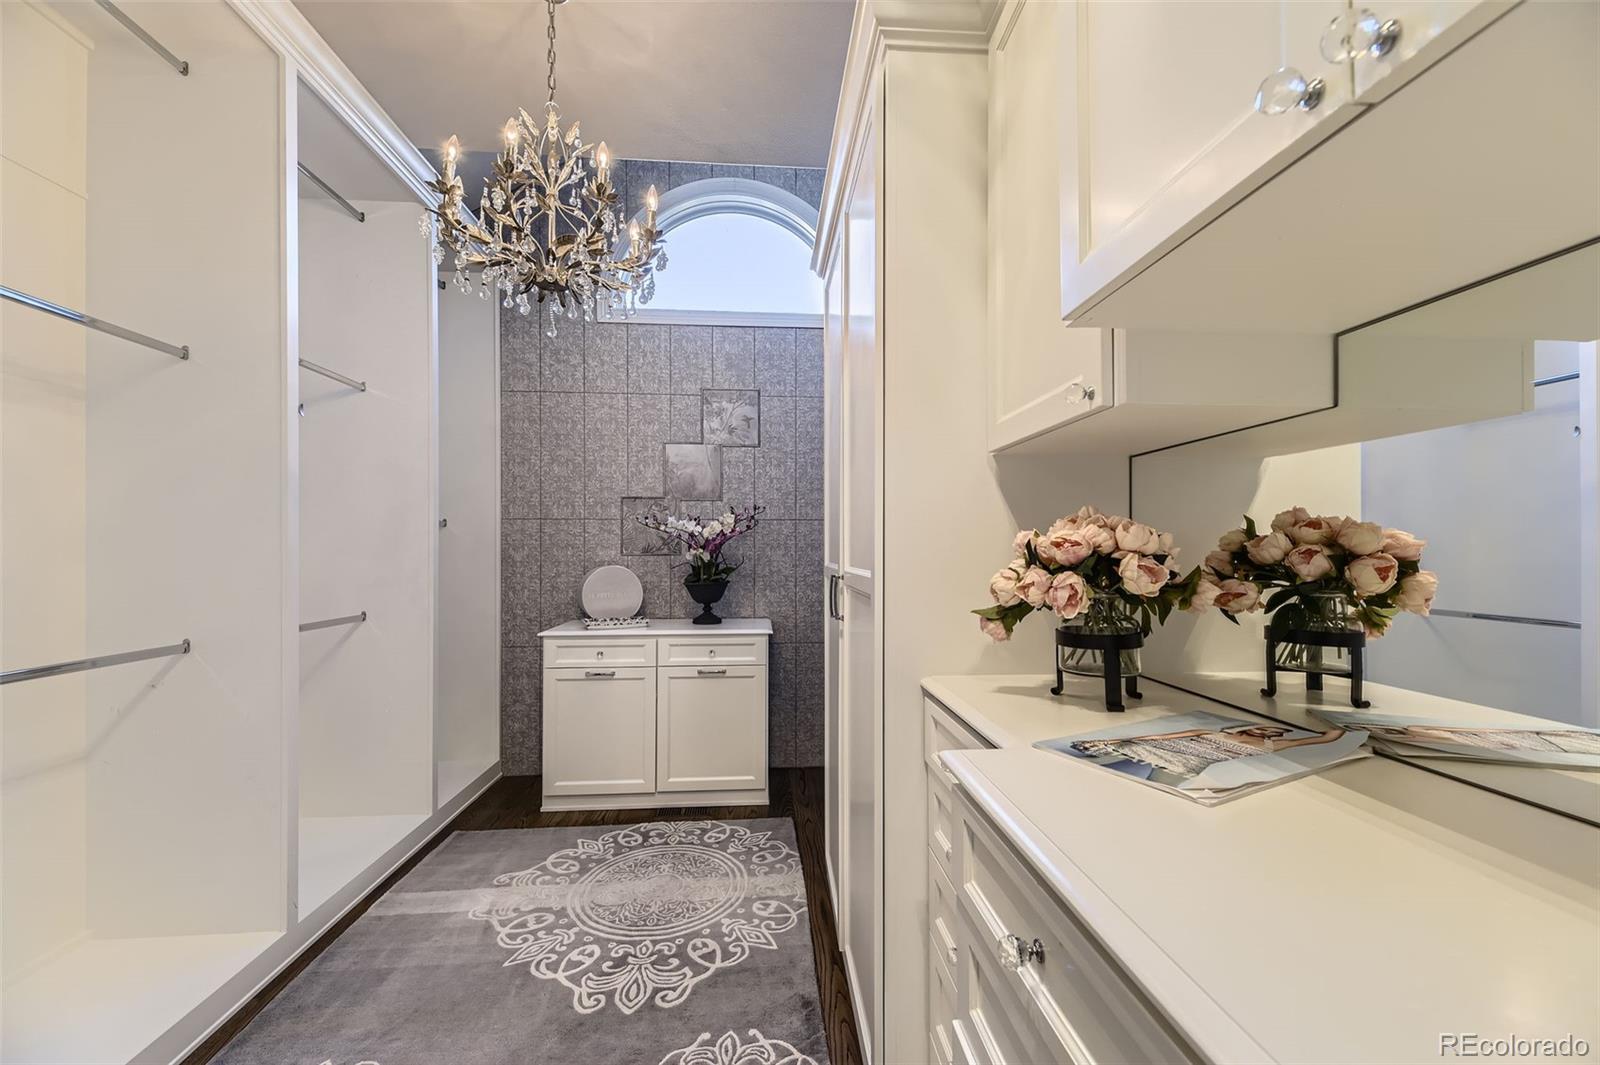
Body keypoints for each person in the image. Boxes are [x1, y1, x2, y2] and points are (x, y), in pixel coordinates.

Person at [1069, 722, 1346, 778]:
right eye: (1263, 727)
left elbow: (1322, 740)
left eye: (1271, 731)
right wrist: (1113, 741)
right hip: (1159, 752)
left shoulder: (1272, 745)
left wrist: (1341, 725)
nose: (1265, 731)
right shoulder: (1214, 731)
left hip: (1187, 767)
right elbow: (1162, 736)